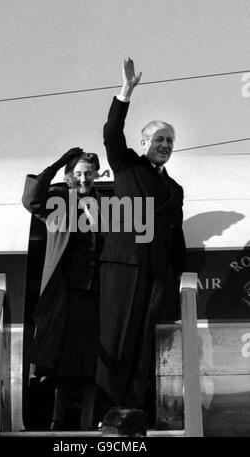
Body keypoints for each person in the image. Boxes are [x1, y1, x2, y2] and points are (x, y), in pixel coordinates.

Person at [96, 58, 186, 418]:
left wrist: (178, 276)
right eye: (158, 139)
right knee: (116, 341)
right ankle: (107, 414)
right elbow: (111, 134)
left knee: (143, 346)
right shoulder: (127, 165)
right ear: (143, 141)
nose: (164, 145)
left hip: (156, 275)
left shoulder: (175, 188)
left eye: (169, 141)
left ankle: (133, 413)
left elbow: (175, 235)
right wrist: (125, 92)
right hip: (123, 267)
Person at [22, 147, 104, 430]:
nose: (84, 179)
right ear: (70, 176)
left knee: (93, 364)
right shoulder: (58, 203)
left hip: (96, 294)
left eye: (89, 174)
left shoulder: (106, 204)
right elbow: (31, 200)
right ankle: (57, 422)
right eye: (79, 173)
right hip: (65, 294)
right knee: (63, 364)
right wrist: (56, 164)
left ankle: (87, 422)